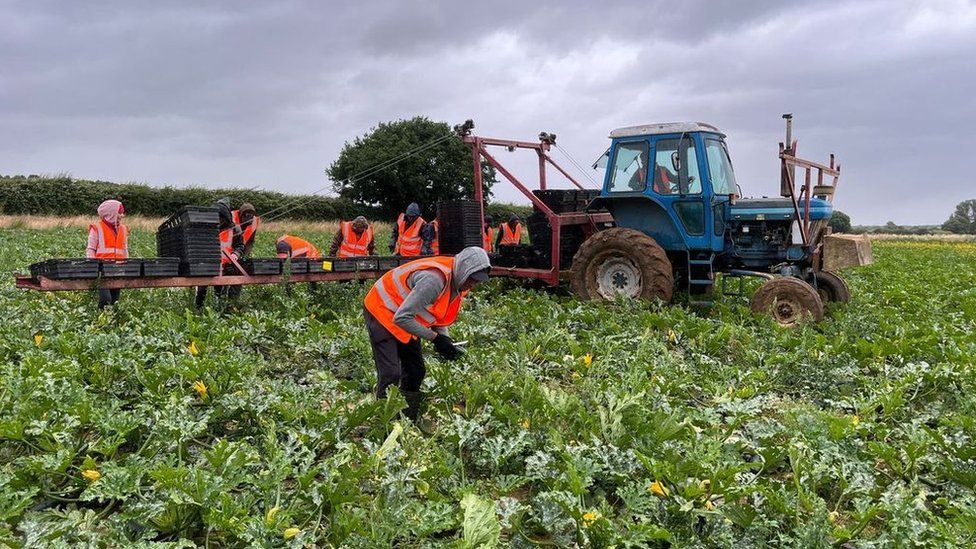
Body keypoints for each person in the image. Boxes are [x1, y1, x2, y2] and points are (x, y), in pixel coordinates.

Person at [363, 246, 491, 421]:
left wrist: (445, 338)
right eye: (472, 279)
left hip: (405, 317)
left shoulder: (458, 283)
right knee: (391, 373)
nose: (473, 284)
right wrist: (436, 339)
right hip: (381, 310)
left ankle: (406, 420)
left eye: (477, 281)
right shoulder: (434, 280)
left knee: (416, 370)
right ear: (464, 270)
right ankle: (383, 422)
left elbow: (439, 313)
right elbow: (402, 318)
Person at [195, 198, 245, 308]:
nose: (218, 220)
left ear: (225, 217)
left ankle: (218, 308)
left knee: (220, 290)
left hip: (226, 266)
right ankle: (198, 308)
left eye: (220, 217)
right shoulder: (207, 228)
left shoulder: (235, 229)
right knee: (202, 288)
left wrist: (235, 254)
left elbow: (240, 246)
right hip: (208, 265)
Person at [86, 199, 128, 309]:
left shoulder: (123, 229)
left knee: (114, 301)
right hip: (102, 271)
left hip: (118, 270)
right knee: (106, 300)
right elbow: (90, 249)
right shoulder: (97, 228)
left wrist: (127, 266)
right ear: (111, 213)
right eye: (120, 212)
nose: (122, 215)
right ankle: (100, 322)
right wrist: (93, 267)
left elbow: (125, 249)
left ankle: (110, 323)